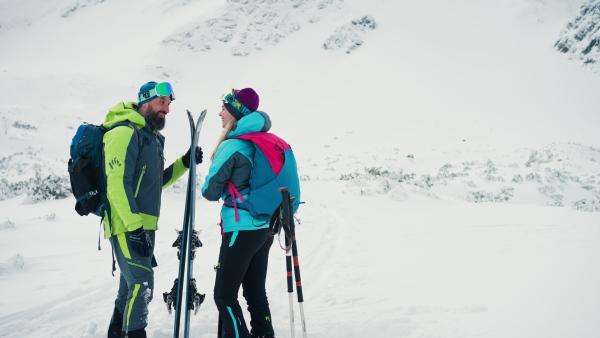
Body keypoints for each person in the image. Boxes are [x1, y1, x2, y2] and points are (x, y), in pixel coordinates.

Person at [104, 81, 203, 338]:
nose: (167, 110)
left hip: (145, 225)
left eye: (169, 104)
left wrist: (184, 162)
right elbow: (116, 185)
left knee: (129, 288)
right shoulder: (124, 132)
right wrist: (134, 227)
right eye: (162, 102)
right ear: (144, 100)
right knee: (142, 284)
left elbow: (157, 182)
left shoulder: (152, 138)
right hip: (127, 224)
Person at [202, 88, 276, 338]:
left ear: (235, 112)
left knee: (224, 295)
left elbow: (210, 191)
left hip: (240, 229)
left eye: (224, 107)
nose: (220, 113)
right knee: (255, 293)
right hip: (264, 229)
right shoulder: (263, 141)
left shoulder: (233, 145)